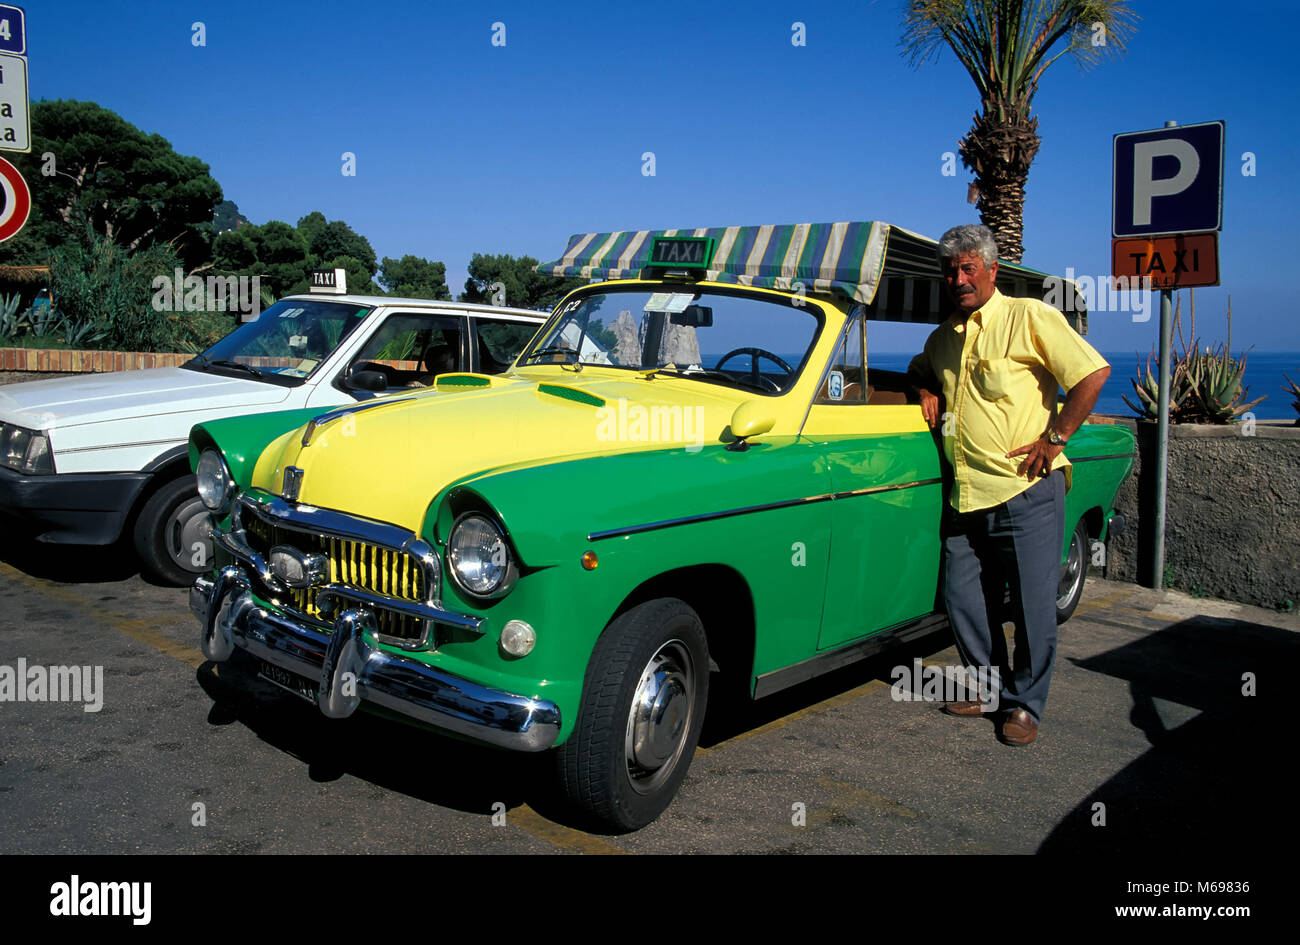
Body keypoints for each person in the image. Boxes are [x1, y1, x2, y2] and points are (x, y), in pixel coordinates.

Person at [908, 224, 1109, 746]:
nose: (958, 278)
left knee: (1033, 605)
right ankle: (986, 686)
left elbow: (1092, 373)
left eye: (968, 267)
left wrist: (1056, 437)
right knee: (962, 597)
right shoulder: (941, 338)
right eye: (950, 270)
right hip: (967, 494)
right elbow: (917, 369)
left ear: (992, 270)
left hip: (1026, 489)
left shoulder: (1029, 317)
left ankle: (1025, 707)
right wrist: (925, 386)